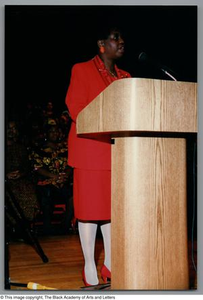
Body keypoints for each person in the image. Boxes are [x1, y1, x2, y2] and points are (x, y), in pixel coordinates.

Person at [65, 26, 131, 286]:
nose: (121, 42)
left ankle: (111, 264)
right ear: (101, 44)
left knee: (112, 211)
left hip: (119, 154)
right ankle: (89, 266)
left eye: (122, 38)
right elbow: (76, 109)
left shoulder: (126, 77)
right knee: (90, 211)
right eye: (116, 38)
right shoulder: (81, 70)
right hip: (90, 151)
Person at [29, 121, 73, 235]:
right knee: (46, 194)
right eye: (51, 131)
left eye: (57, 131)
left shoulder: (66, 149)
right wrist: (54, 176)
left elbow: (71, 164)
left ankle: (65, 227)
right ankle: (47, 228)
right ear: (46, 134)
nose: (54, 134)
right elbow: (37, 167)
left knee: (73, 195)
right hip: (46, 182)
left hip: (63, 182)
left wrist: (65, 175)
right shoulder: (39, 150)